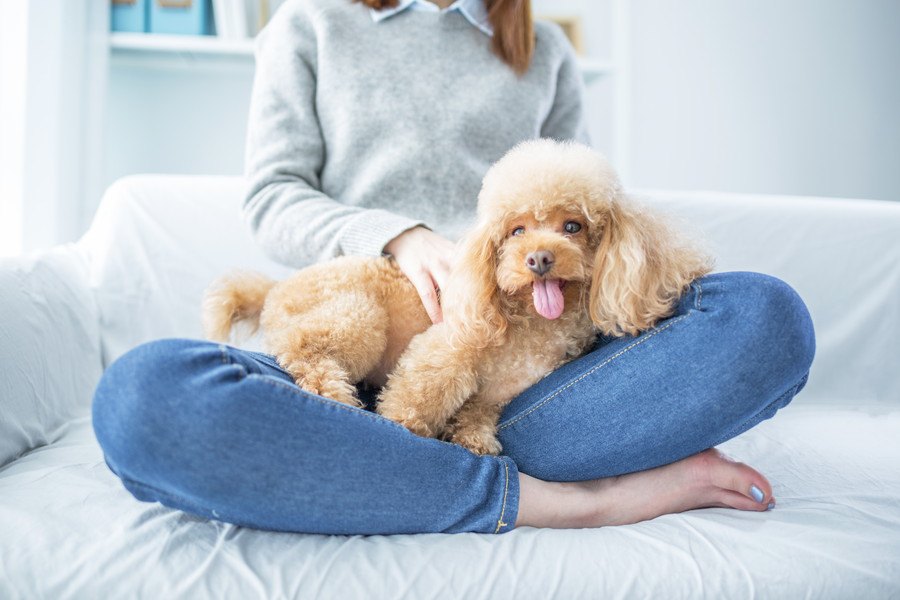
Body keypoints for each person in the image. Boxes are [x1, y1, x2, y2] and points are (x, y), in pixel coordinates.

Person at [92, 0, 815, 535]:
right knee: (142, 396)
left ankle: (406, 472)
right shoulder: (308, 24)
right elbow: (273, 198)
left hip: (523, 384)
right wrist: (400, 237)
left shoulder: (547, 49)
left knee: (763, 316)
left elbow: (578, 214)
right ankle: (569, 499)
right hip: (352, 370)